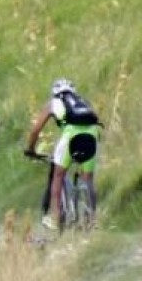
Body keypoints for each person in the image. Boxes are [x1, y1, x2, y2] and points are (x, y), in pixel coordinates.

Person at [24, 78, 101, 229]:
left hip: (70, 135)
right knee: (88, 179)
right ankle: (92, 218)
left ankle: (55, 217)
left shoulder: (53, 103)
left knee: (58, 175)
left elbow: (36, 130)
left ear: (55, 92)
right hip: (92, 134)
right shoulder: (83, 101)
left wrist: (31, 149)